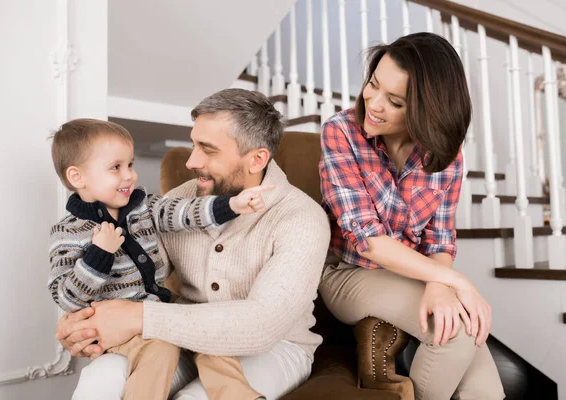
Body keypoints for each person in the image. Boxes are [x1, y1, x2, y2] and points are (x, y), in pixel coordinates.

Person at [55, 89, 331, 400]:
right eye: (193, 144)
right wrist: (83, 324)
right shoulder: (177, 202)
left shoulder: (302, 218)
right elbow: (126, 274)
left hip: (274, 346)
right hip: (179, 336)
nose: (191, 161)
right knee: (100, 380)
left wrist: (136, 317)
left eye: (208, 150)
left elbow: (261, 326)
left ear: (256, 159)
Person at [318, 32, 505, 400]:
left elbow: (438, 239)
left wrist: (439, 285)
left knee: (482, 380)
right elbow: (368, 241)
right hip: (347, 271)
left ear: (425, 111)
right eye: (373, 84)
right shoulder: (340, 132)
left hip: (416, 272)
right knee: (459, 332)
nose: (373, 103)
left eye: (395, 101)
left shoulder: (445, 156)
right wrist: (456, 282)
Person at [48, 118, 270, 400]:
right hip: (119, 333)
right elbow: (66, 297)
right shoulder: (67, 231)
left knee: (207, 338)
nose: (129, 175)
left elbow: (185, 212)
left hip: (157, 314)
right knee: (160, 349)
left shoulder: (145, 207)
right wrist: (98, 254)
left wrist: (233, 205)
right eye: (116, 167)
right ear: (78, 177)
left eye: (130, 164)